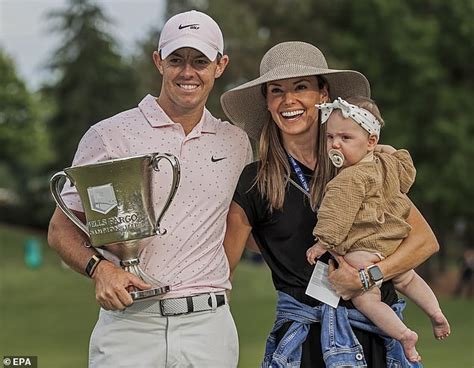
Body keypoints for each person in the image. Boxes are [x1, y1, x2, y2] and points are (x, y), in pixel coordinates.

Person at [47, 10, 252, 368]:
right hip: (130, 326)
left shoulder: (235, 142)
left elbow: (239, 223)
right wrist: (101, 269)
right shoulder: (109, 135)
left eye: (200, 61)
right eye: (176, 59)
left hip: (208, 329)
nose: (187, 72)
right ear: (158, 62)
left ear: (220, 66)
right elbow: (60, 229)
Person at [221, 41, 439, 367]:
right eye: (276, 90)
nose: (288, 100)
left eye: (301, 87)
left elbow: (424, 241)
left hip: (379, 333)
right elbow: (222, 275)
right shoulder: (255, 181)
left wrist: (366, 278)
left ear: (323, 95)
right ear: (267, 101)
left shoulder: (361, 163)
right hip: (303, 343)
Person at [306, 96, 450, 362]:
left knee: (367, 300)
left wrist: (321, 243)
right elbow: (408, 175)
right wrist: (387, 150)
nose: (335, 144)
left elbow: (335, 217)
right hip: (393, 243)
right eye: (330, 138)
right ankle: (436, 313)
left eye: (346, 138)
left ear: (370, 141)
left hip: (365, 249)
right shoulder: (387, 165)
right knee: (408, 279)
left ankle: (405, 334)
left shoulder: (347, 179)